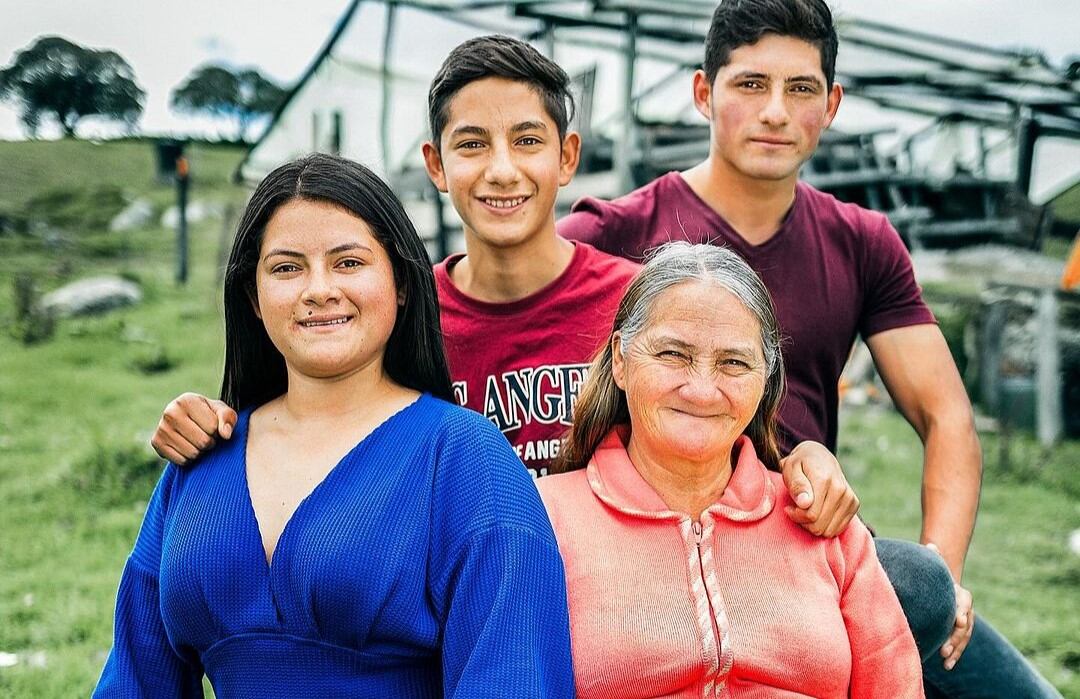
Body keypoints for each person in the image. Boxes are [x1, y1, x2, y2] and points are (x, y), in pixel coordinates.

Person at [558, 1, 1061, 695]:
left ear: (831, 105)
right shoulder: (612, 233)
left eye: (800, 90)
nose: (774, 111)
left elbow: (946, 416)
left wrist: (944, 572)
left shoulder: (864, 242)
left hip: (807, 542)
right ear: (704, 93)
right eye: (750, 84)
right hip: (654, 541)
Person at [150, 35, 853, 516]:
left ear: (567, 157)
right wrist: (214, 421)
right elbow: (309, 420)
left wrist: (811, 454)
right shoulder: (393, 314)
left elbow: (740, 437)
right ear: (435, 164)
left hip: (623, 610)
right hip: (458, 619)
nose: (502, 170)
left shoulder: (636, 306)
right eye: (472, 144)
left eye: (527, 141)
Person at [93, 154, 576, 698]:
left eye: (348, 263)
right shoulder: (203, 458)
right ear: (253, 298)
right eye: (286, 268)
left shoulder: (464, 457)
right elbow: (134, 677)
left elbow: (513, 677)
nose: (318, 289)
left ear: (400, 284)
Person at [540, 242, 923, 697]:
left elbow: (894, 685)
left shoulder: (823, 521)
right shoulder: (544, 520)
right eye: (672, 355)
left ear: (767, 379)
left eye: (734, 363)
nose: (702, 390)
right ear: (621, 361)